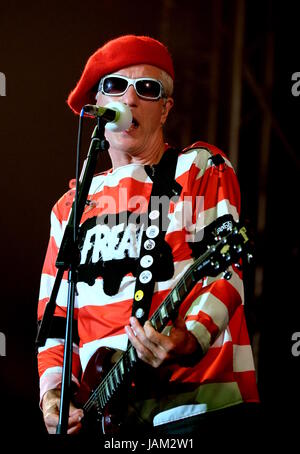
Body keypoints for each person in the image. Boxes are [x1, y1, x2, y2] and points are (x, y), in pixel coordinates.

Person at [37, 34, 260, 436]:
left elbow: (227, 271)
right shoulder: (69, 209)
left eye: (147, 89)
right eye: (115, 86)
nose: (130, 98)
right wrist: (52, 393)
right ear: (97, 109)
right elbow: (54, 319)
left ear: (165, 110)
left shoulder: (200, 169)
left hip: (195, 411)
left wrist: (192, 337)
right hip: (104, 421)